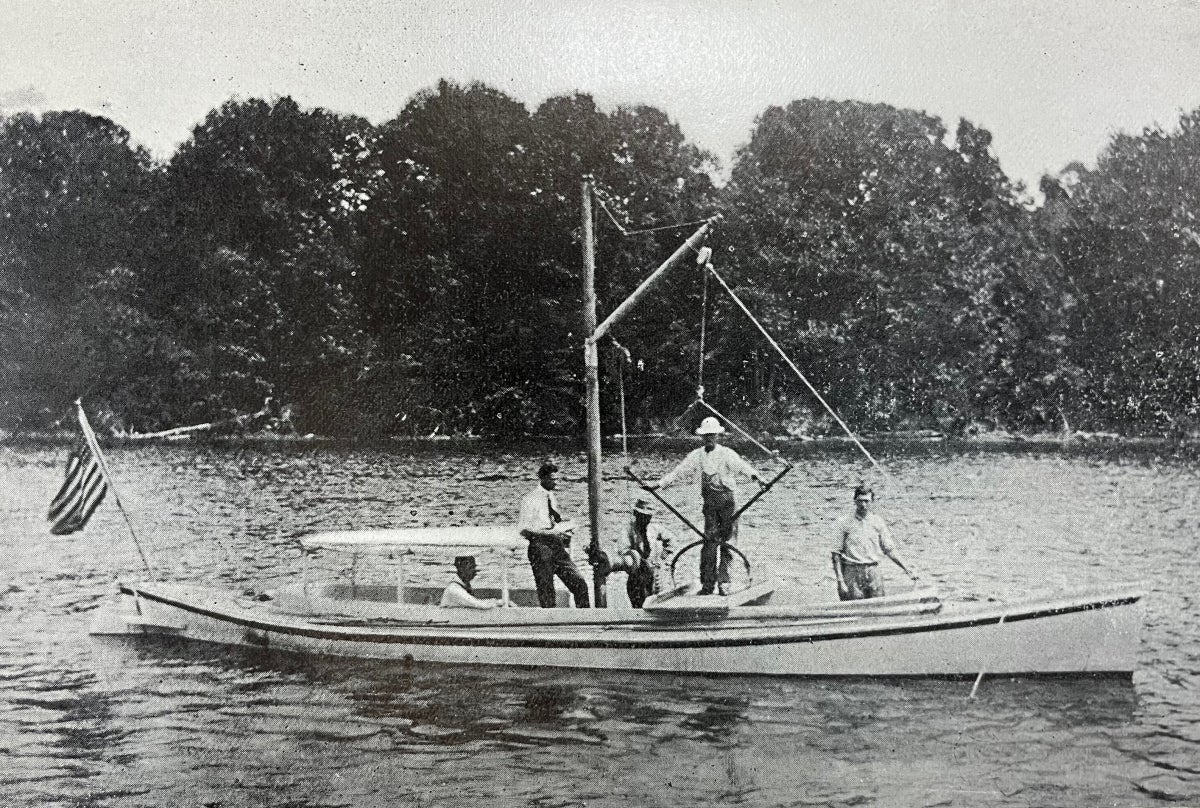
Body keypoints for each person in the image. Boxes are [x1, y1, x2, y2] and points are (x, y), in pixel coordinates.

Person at [647, 416, 764, 595]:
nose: (709, 438)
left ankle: (724, 584)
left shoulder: (727, 454)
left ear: (717, 435)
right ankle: (707, 584)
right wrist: (659, 484)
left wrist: (758, 479)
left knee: (728, 544)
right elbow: (680, 471)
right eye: (706, 436)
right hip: (710, 507)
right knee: (709, 545)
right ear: (702, 437)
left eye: (712, 435)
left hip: (729, 506)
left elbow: (743, 468)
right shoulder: (697, 455)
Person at [518, 461, 591, 608]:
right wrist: (549, 533)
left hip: (556, 546)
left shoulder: (551, 497)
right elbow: (524, 529)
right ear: (543, 478)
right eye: (552, 479)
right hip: (540, 547)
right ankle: (551, 624)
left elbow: (551, 520)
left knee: (579, 584)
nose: (556, 482)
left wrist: (564, 530)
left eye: (557, 479)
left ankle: (585, 620)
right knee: (547, 591)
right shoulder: (530, 499)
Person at [831, 484, 918, 600]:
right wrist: (840, 581)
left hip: (874, 572)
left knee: (879, 607)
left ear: (872, 501)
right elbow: (836, 554)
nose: (863, 505)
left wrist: (907, 569)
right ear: (854, 501)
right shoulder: (844, 523)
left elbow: (889, 549)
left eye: (866, 501)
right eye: (860, 501)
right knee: (855, 609)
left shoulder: (878, 522)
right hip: (852, 572)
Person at [611, 499, 675, 608]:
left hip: (654, 572)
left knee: (657, 603)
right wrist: (635, 559)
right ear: (636, 514)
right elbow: (622, 550)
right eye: (643, 516)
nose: (646, 520)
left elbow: (670, 538)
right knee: (640, 605)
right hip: (637, 575)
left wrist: (664, 554)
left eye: (649, 517)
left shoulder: (653, 528)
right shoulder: (628, 530)